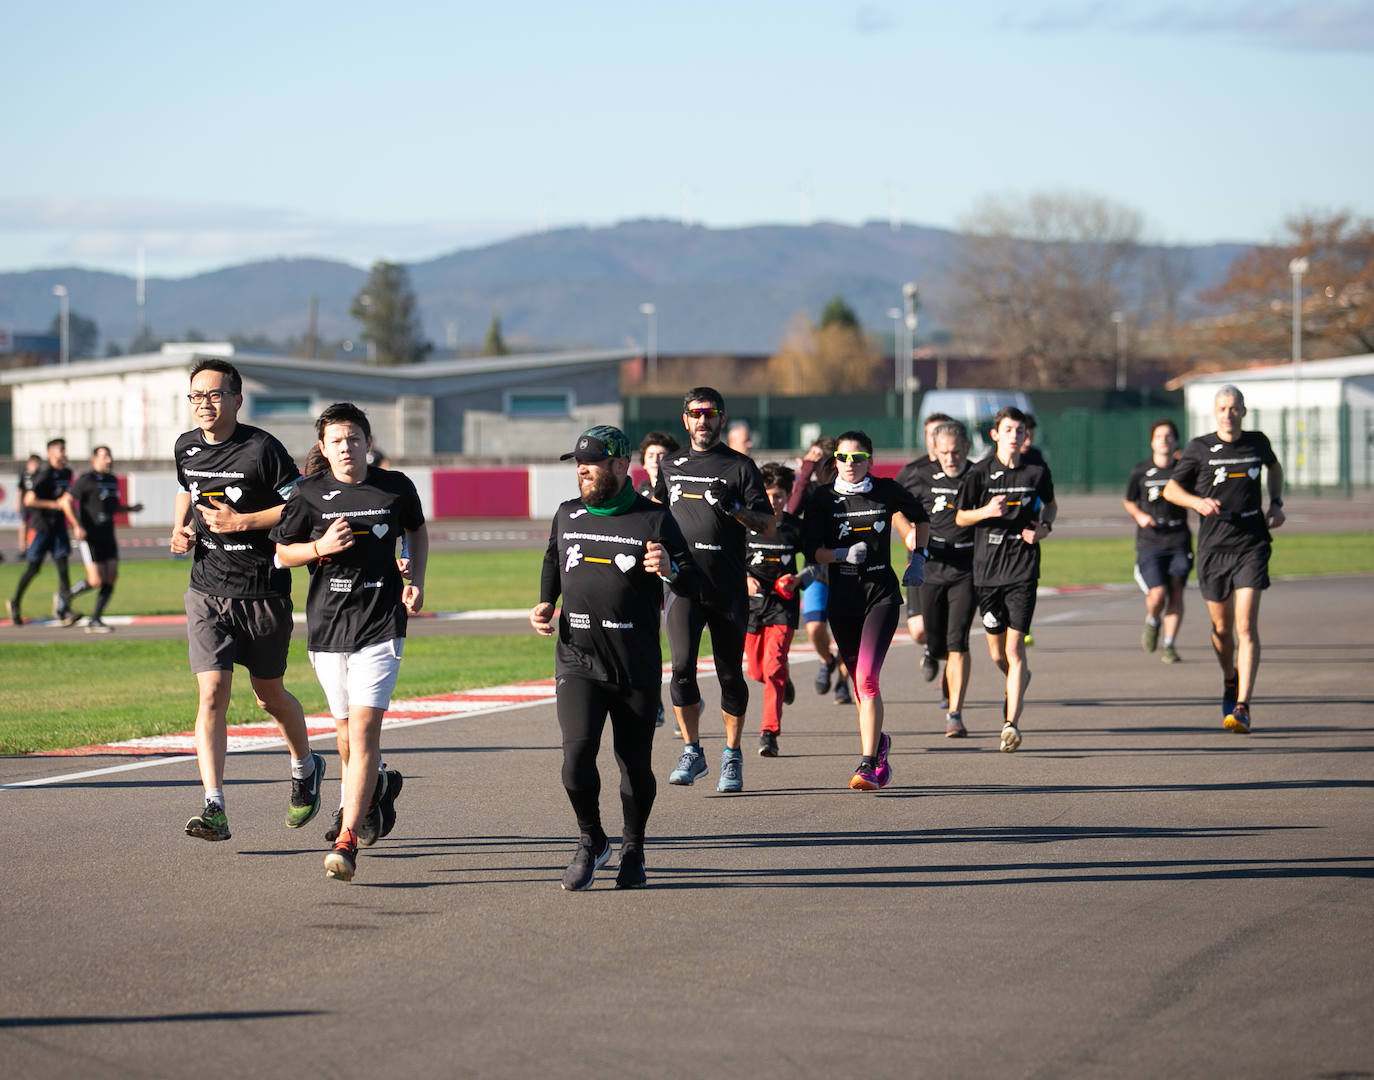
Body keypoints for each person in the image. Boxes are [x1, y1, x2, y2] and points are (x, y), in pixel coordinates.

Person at [531, 425, 698, 890]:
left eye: (594, 461)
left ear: (621, 466)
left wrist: (671, 569)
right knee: (576, 758)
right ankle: (591, 840)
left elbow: (693, 584)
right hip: (577, 659)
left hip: (634, 664)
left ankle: (633, 847)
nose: (583, 469)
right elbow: (553, 558)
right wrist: (546, 601)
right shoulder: (567, 515)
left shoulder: (655, 520)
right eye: (578, 462)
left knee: (634, 767)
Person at [271, 402, 426, 881]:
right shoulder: (309, 494)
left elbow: (417, 532)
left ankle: (347, 838)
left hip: (380, 625)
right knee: (343, 739)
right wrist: (319, 547)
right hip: (327, 629)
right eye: (336, 440)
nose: (345, 447)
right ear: (323, 448)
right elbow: (281, 554)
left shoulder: (396, 487)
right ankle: (379, 784)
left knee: (362, 734)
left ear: (368, 443)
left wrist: (415, 577)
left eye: (353, 439)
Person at [169, 358, 322, 842]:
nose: (205, 405)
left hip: (263, 591)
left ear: (237, 399)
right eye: (197, 396)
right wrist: (182, 527)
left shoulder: (262, 449)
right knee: (212, 693)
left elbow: (300, 505)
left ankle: (305, 765)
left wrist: (242, 522)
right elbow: (187, 488)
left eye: (215, 395)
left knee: (268, 696)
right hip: (207, 588)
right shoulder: (186, 446)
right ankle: (214, 805)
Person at [655, 387, 775, 793]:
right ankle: (692, 750)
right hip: (682, 587)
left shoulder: (740, 466)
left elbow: (768, 525)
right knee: (682, 670)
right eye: (695, 413)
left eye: (710, 414)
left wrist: (736, 510)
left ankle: (731, 755)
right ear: (685, 418)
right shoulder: (670, 464)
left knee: (728, 674)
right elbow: (655, 515)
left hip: (726, 589)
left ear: (721, 419)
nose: (702, 421)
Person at [801, 430, 929, 790]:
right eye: (843, 458)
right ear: (835, 461)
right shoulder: (822, 499)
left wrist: (918, 558)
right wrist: (840, 555)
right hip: (842, 602)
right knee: (860, 686)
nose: (850, 465)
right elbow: (811, 552)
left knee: (867, 679)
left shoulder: (886, 490)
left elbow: (921, 518)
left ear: (870, 461)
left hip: (881, 596)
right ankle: (880, 743)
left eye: (858, 459)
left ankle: (868, 763)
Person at [1163, 386, 1284, 734]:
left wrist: (1276, 503)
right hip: (1214, 547)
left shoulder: (1257, 442)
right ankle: (1230, 678)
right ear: (1214, 413)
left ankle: (1243, 705)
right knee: (1222, 629)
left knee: (1246, 627)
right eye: (1222, 409)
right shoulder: (1199, 448)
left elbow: (1275, 470)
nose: (1228, 415)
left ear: (1243, 412)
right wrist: (1196, 503)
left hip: (1252, 542)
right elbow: (1172, 489)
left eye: (1234, 408)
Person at [955, 406, 1056, 753]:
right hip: (987, 572)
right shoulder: (979, 473)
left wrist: (1043, 528)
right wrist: (986, 512)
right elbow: (960, 517)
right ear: (996, 434)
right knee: (998, 652)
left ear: (1027, 435)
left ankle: (1010, 724)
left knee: (1014, 649)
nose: (1016, 435)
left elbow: (1051, 505)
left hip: (1023, 569)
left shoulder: (1036, 471)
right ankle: (1018, 679)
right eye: (1009, 429)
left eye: (1021, 430)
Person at [905, 421, 978, 737]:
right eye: (945, 453)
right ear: (935, 450)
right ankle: (932, 657)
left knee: (957, 641)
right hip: (930, 567)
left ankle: (955, 713)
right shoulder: (919, 475)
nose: (951, 459)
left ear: (967, 449)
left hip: (967, 568)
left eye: (957, 452)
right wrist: (907, 532)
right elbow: (896, 509)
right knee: (930, 639)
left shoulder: (979, 476)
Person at [744, 462, 813, 757]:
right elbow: (729, 562)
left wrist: (798, 579)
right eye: (769, 495)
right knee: (757, 671)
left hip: (783, 607)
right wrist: (744, 579)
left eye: (780, 496)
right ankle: (784, 679)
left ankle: (768, 733)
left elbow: (815, 565)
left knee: (772, 668)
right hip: (751, 608)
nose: (774, 502)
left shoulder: (795, 529)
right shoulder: (745, 526)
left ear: (787, 497)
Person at [787, 435, 852, 706]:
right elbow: (791, 510)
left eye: (819, 459)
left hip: (847, 566)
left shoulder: (848, 487)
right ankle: (827, 661)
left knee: (847, 632)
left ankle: (843, 682)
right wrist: (804, 473)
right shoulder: (809, 488)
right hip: (816, 565)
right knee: (814, 627)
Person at [1123, 419, 1192, 664]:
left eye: (1169, 436)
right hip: (1151, 541)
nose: (1164, 439)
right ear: (1152, 441)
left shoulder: (1184, 469)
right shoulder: (1141, 471)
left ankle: (1169, 645)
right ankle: (1153, 621)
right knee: (1158, 594)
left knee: (1176, 593)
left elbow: (1197, 494)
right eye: (1159, 436)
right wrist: (1140, 515)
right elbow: (1129, 500)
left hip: (1178, 538)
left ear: (1175, 440)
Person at [897, 412, 957, 688]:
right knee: (920, 630)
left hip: (955, 562)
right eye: (931, 433)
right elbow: (893, 509)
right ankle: (931, 650)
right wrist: (908, 531)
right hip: (920, 559)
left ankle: (950, 681)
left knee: (951, 629)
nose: (935, 439)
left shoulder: (964, 472)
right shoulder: (913, 472)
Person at [64, 446, 144, 633]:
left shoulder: (111, 480)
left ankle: (95, 619)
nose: (109, 460)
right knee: (96, 579)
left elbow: (113, 507)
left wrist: (129, 509)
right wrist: (76, 525)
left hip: (108, 534)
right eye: (104, 456)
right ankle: (65, 596)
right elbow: (66, 501)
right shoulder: (86, 479)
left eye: (110, 456)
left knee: (111, 576)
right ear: (94, 459)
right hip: (90, 535)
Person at [8, 439, 78, 627]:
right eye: (61, 450)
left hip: (59, 528)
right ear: (51, 453)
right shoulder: (44, 474)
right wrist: (54, 505)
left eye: (65, 449)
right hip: (41, 529)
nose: (65, 453)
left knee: (63, 569)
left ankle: (65, 609)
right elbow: (29, 500)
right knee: (33, 569)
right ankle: (15, 602)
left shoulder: (67, 473)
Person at [636, 430, 680, 501]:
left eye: (661, 455)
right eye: (650, 456)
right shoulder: (642, 488)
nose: (655, 460)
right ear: (644, 462)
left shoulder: (677, 488)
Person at [14, 453, 41, 561]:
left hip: (36, 504)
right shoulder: (24, 475)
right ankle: (22, 548)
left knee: (36, 526)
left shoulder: (40, 475)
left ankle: (33, 548)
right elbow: (20, 490)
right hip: (26, 504)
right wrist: (17, 504)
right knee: (23, 525)